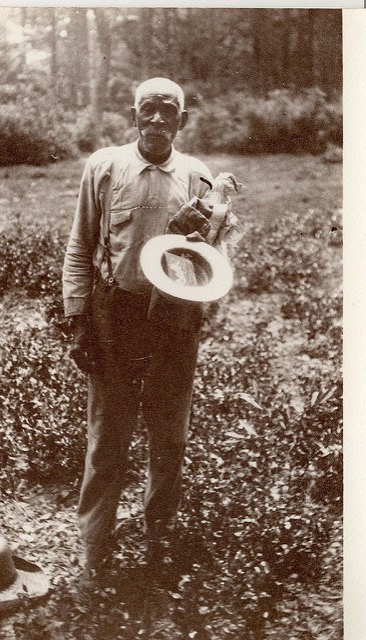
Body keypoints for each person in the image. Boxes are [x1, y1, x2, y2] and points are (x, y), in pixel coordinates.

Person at [62, 77, 240, 591]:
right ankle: (95, 555)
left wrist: (218, 234)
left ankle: (157, 544)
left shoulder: (198, 175)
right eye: (148, 110)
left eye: (169, 111)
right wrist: (79, 321)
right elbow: (80, 246)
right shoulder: (104, 167)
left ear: (182, 121)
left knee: (169, 439)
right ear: (133, 115)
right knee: (107, 440)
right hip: (114, 318)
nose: (158, 119)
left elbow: (209, 259)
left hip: (175, 323)